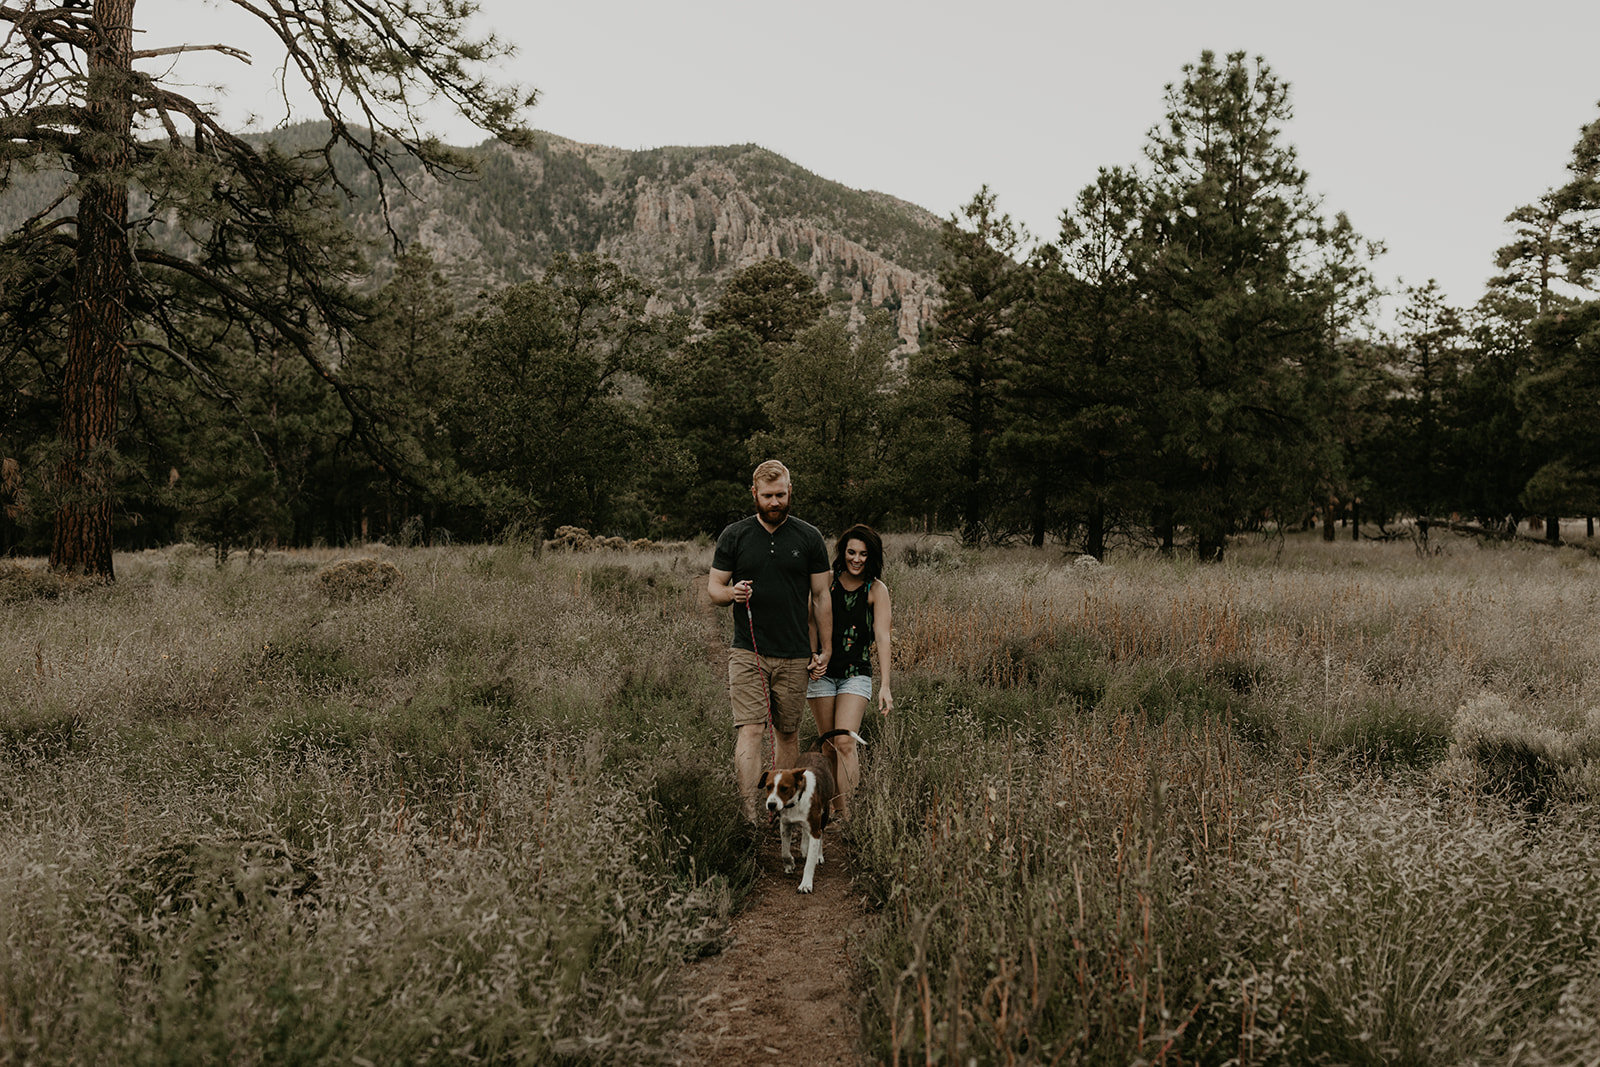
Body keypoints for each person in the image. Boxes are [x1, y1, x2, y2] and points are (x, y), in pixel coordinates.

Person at [708, 460, 833, 823]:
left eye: (780, 494)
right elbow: (713, 587)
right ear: (754, 495)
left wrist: (824, 650)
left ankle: (785, 810)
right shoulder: (735, 535)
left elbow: (822, 596)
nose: (775, 502)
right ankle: (750, 813)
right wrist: (731, 592)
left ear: (790, 491)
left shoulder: (809, 537)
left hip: (795, 653)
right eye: (767, 496)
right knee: (750, 729)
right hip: (749, 649)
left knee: (788, 733)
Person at [807, 523, 893, 821]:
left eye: (864, 554)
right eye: (851, 552)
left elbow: (882, 637)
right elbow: (810, 622)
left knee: (845, 741)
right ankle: (829, 808)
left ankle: (846, 816)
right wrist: (812, 656)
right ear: (842, 552)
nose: (856, 559)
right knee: (827, 745)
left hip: (857, 672)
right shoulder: (826, 582)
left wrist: (885, 686)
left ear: (873, 557)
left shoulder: (876, 590)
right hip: (822, 672)